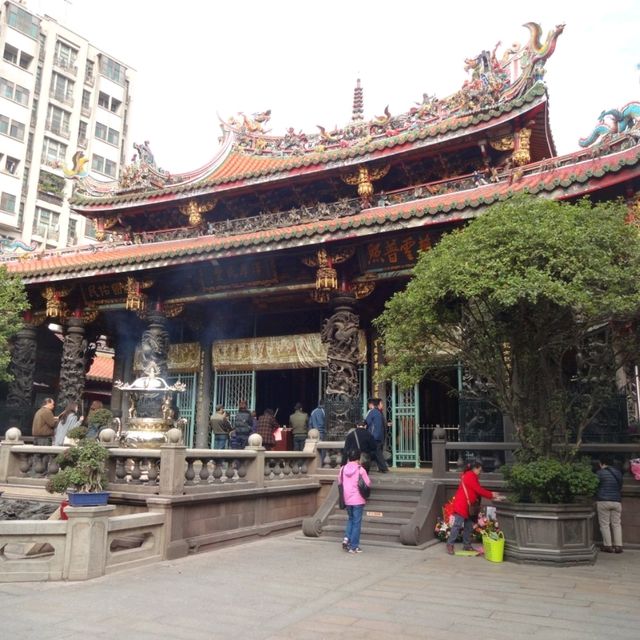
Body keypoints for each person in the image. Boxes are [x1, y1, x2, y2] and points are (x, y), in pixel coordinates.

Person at [446, 460, 498, 554]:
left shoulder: (470, 475)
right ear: (475, 468)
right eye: (479, 470)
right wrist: (491, 494)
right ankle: (450, 544)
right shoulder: (470, 476)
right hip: (462, 505)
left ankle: (467, 545)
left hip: (468, 506)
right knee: (457, 525)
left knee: (468, 526)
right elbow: (478, 490)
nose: (480, 472)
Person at [339, 449, 371, 554]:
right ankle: (354, 547)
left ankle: (346, 539)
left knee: (351, 519)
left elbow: (339, 482)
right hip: (358, 500)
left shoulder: (342, 469)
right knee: (357, 523)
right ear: (358, 458)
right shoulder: (360, 469)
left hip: (347, 499)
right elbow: (368, 483)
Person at [595, 456, 623, 553]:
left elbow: (595, 485)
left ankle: (608, 546)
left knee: (604, 525)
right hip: (617, 501)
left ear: (601, 463)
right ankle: (618, 546)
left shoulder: (599, 473)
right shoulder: (618, 473)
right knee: (617, 524)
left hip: (603, 501)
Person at [364, 398, 388, 473]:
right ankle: (382, 468)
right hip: (377, 436)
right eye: (381, 403)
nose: (382, 405)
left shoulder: (375, 412)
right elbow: (367, 423)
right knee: (377, 452)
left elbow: (366, 423)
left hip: (376, 436)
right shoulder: (376, 412)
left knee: (376, 452)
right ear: (378, 404)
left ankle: (382, 468)